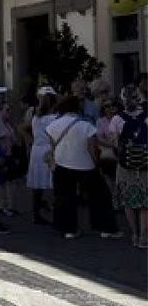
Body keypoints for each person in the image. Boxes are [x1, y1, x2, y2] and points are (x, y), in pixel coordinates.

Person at [46, 94, 117, 240]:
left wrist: (53, 162)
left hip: (62, 164)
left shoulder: (53, 125)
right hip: (85, 165)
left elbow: (52, 146)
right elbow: (91, 148)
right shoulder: (86, 125)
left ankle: (68, 229)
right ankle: (104, 228)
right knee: (100, 196)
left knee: (64, 198)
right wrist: (96, 163)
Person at [112, 87, 148, 249]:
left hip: (125, 165)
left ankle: (134, 234)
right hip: (146, 164)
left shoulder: (117, 119)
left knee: (128, 201)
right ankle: (144, 237)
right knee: (145, 202)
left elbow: (114, 142)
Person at [24, 86, 58, 225]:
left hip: (36, 150)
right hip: (49, 149)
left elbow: (24, 128)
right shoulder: (54, 117)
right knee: (52, 182)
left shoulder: (35, 115)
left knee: (37, 184)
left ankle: (36, 214)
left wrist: (29, 141)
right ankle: (55, 214)